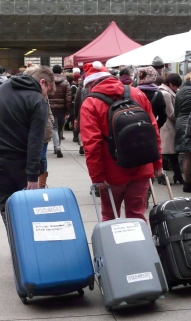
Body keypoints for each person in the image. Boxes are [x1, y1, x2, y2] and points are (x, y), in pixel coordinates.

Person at [80, 61, 163, 222]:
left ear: (90, 83)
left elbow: (92, 143)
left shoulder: (90, 103)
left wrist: (97, 176)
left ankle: (114, 247)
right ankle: (138, 247)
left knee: (110, 217)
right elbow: (153, 130)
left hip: (111, 172)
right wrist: (157, 163)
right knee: (137, 215)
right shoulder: (137, 94)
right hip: (141, 168)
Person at [0, 66, 53, 225]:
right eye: (47, 90)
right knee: (28, 210)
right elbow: (36, 141)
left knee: (6, 205)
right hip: (21, 161)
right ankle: (25, 245)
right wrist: (33, 176)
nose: (46, 95)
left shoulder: (3, 87)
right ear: (42, 82)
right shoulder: (37, 101)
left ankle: (14, 243)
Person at [158, 73, 185, 185]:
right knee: (168, 152)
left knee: (170, 153)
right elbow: (170, 113)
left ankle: (176, 176)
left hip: (165, 125)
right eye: (175, 86)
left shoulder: (163, 91)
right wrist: (180, 118)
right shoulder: (166, 94)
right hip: (168, 126)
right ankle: (165, 177)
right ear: (170, 84)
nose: (177, 88)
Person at [48, 64, 71, 158]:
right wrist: (68, 110)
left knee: (54, 128)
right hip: (62, 109)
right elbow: (68, 98)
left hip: (51, 108)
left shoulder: (49, 82)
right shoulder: (65, 82)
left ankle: (56, 147)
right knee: (60, 128)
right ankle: (58, 146)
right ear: (61, 72)